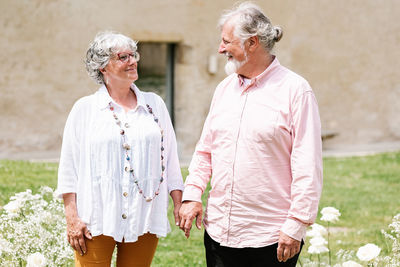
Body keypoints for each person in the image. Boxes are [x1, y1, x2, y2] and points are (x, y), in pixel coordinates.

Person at [179, 2, 323, 267]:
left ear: (252, 43)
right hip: (219, 233)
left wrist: (297, 223)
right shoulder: (223, 89)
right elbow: (205, 150)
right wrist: (191, 195)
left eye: (226, 42)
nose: (220, 49)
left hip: (271, 237)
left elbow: (307, 165)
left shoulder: (296, 91)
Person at [56, 31, 184, 267]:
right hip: (96, 216)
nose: (133, 61)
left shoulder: (155, 105)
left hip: (142, 215)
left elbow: (171, 156)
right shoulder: (85, 109)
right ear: (103, 67)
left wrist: (179, 201)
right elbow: (68, 168)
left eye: (133, 54)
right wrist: (72, 218)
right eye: (123, 57)